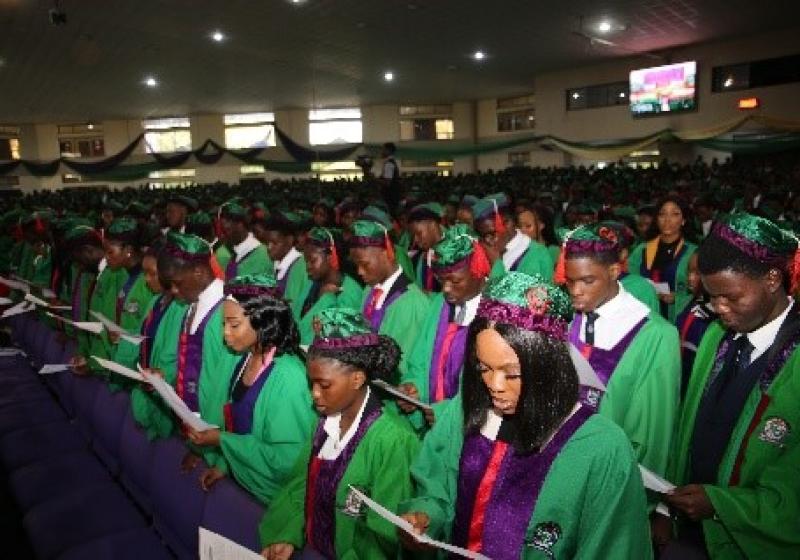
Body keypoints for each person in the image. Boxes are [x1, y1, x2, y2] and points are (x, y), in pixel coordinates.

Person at [400, 273, 651, 559]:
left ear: (549, 367)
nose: (493, 386)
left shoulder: (600, 447)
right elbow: (438, 487)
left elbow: (613, 548)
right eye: (483, 368)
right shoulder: (468, 410)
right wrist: (426, 518)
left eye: (512, 373)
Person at [657, 213, 800, 559]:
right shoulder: (716, 338)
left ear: (771, 279)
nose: (718, 308)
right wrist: (666, 507)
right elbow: (687, 426)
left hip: (751, 540)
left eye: (731, 297)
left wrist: (722, 504)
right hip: (692, 530)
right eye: (711, 297)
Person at [259, 308, 420, 560]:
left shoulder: (393, 440)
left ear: (357, 379)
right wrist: (288, 533)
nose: (314, 394)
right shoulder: (325, 421)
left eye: (324, 385)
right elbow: (302, 485)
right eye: (311, 383)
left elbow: (383, 539)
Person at [559, 223, 681, 482]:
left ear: (614, 271)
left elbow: (651, 433)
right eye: (570, 281)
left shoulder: (655, 335)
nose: (575, 291)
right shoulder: (573, 321)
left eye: (587, 280)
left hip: (613, 475)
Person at [187, 274, 316, 503]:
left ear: (262, 321)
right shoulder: (245, 358)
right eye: (223, 324)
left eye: (234, 324)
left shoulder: (289, 379)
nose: (225, 332)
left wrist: (222, 441)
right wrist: (224, 466)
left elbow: (288, 461)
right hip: (244, 481)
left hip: (271, 498)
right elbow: (239, 426)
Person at [156, 232, 241, 471]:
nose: (173, 290)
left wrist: (219, 457)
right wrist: (165, 376)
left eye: (176, 283)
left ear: (200, 272)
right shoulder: (192, 304)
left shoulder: (226, 313)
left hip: (217, 442)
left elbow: (228, 392)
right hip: (199, 437)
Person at [399, 224, 490, 429]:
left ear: (477, 272)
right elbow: (421, 360)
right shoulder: (440, 305)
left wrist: (450, 412)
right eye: (441, 281)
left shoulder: (495, 313)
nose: (446, 289)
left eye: (455, 281)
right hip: (434, 423)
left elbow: (492, 388)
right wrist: (415, 388)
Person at [348, 218, 429, 381]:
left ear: (386, 253)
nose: (360, 272)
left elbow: (407, 368)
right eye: (356, 265)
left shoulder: (412, 302)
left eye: (365, 264)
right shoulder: (369, 290)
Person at [629, 196, 697, 322]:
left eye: (675, 214)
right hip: (644, 315)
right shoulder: (642, 250)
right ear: (657, 219)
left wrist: (677, 298)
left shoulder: (693, 252)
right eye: (662, 214)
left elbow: (702, 290)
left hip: (677, 318)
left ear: (683, 220)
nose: (667, 219)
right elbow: (630, 280)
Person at [292, 227, 362, 346]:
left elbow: (340, 340)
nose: (307, 267)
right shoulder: (312, 284)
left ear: (330, 257)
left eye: (313, 260)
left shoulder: (350, 292)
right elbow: (296, 324)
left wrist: (325, 299)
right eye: (306, 261)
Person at [473, 193, 554, 281]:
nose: (487, 241)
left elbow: (513, 294)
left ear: (508, 224)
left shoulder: (536, 254)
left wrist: (496, 263)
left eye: (491, 234)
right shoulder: (484, 248)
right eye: (483, 236)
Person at [674, 252, 717, 398]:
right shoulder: (694, 302)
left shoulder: (718, 312)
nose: (690, 278)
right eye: (689, 272)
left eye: (697, 273)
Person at [257, 210, 307, 302]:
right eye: (267, 242)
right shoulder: (275, 265)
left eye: (274, 243)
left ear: (290, 240)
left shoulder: (301, 266)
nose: (269, 247)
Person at [219, 202, 272, 280]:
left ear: (240, 225)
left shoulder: (262, 254)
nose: (224, 236)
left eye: (227, 230)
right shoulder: (231, 252)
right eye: (223, 231)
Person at [406, 202, 445, 293]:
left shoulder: (455, 253)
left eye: (419, 233)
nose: (415, 240)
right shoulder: (417, 258)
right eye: (413, 235)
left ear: (432, 225)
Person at [378, 142, 402, 214]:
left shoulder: (389, 164)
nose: (381, 152)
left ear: (388, 150)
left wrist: (374, 180)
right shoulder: (391, 162)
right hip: (393, 196)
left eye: (383, 149)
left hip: (390, 197)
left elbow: (387, 183)